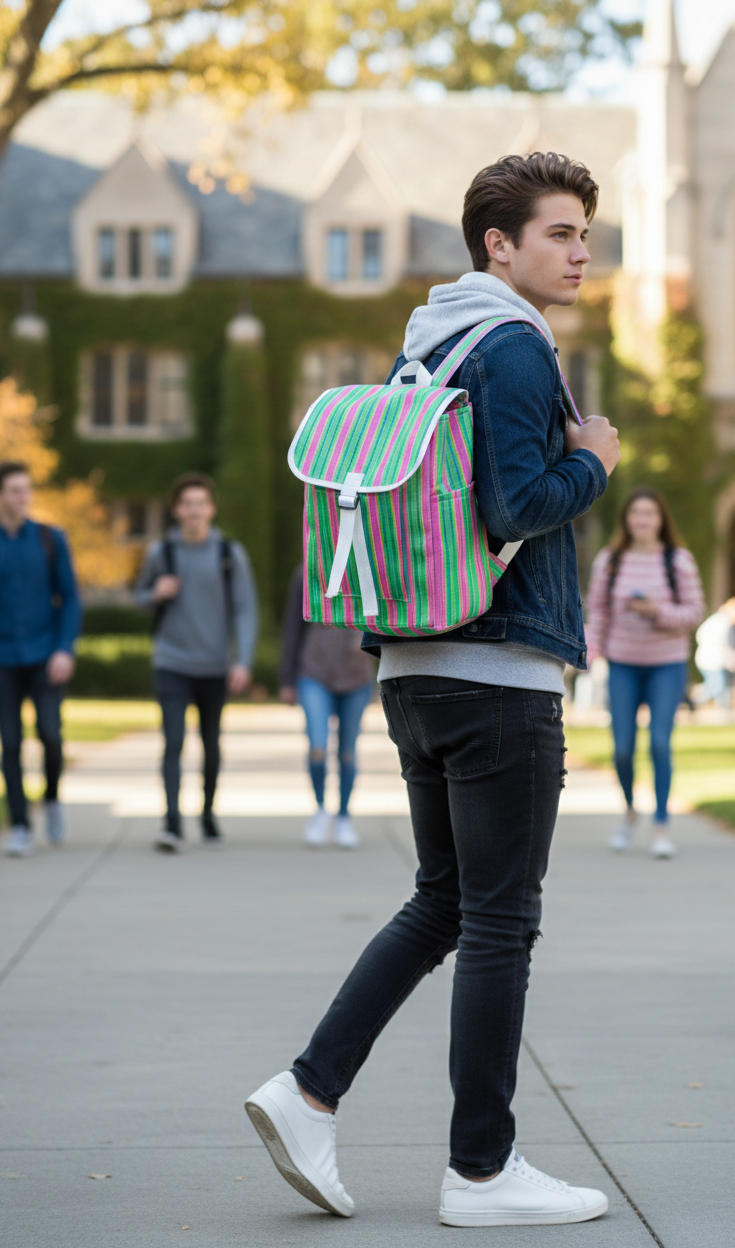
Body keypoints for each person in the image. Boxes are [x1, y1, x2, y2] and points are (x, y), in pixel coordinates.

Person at [245, 152, 620, 1227]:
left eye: (585, 231)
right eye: (559, 232)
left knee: (446, 902)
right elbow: (513, 505)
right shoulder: (509, 345)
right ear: (497, 245)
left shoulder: (431, 345)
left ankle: (308, 1091)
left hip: (413, 667)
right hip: (497, 675)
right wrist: (591, 457)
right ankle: (483, 1172)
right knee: (502, 919)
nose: (580, 250)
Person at [136, 472, 258, 852]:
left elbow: (245, 609)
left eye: (200, 504)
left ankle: (207, 815)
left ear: (211, 509)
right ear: (176, 510)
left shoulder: (229, 554)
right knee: (172, 742)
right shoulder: (162, 553)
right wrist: (154, 593)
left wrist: (243, 660)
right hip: (171, 661)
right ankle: (171, 823)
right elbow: (139, 597)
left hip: (215, 664)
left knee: (211, 744)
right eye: (186, 504)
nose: (194, 511)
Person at [585, 487, 705, 858]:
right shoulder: (610, 561)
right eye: (636, 513)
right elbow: (597, 614)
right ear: (627, 519)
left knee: (658, 743)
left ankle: (661, 826)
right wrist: (589, 657)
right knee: (622, 748)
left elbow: (694, 612)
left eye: (650, 514)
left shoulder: (678, 561)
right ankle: (629, 810)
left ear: (660, 519)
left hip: (666, 665)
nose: (642, 520)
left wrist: (657, 612)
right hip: (622, 663)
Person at [0, 460, 81, 857]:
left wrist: (64, 648)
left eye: (26, 489)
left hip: (46, 656)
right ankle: (19, 824)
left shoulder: (50, 539)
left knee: (50, 736)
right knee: (10, 744)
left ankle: (51, 799)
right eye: (15, 490)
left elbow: (70, 599)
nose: (23, 497)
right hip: (3, 660)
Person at [280, 564, 375, 849]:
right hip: (314, 671)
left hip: (356, 675)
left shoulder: (370, 567)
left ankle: (344, 816)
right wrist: (287, 679)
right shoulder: (307, 571)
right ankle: (321, 809)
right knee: (317, 747)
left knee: (347, 751)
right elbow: (292, 628)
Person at [694, 599, 735, 708]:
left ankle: (694, 699)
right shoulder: (723, 623)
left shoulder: (717, 620)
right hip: (713, 660)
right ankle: (693, 701)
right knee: (717, 687)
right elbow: (727, 644)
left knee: (717, 686)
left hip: (710, 659)